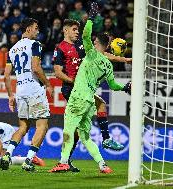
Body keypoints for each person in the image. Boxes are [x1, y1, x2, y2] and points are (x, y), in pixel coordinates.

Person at [49, 4, 131, 173]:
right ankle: (103, 164)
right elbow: (114, 85)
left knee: (68, 130)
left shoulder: (91, 53)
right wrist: (126, 87)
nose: (78, 33)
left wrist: (92, 17)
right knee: (85, 135)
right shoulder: (108, 65)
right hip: (88, 100)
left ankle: (63, 161)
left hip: (78, 96)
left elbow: (87, 34)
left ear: (95, 43)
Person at [0, 18, 54, 172]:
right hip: (34, 89)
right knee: (42, 126)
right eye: (36, 28)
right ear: (29, 29)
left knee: (23, 126)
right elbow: (36, 68)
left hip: (20, 90)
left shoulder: (12, 49)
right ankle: (28, 160)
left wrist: (11, 96)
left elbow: (6, 75)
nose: (38, 31)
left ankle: (7, 154)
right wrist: (48, 84)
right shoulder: (34, 44)